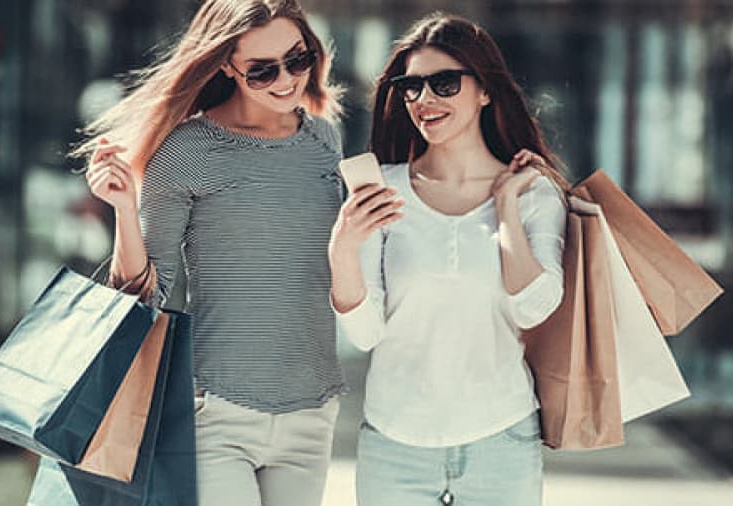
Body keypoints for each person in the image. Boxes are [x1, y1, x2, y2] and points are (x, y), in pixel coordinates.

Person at [78, 1, 345, 505]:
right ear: (226, 64)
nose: (286, 80)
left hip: (312, 410)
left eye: (297, 58)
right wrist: (123, 210)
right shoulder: (186, 150)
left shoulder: (324, 142)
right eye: (262, 70)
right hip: (216, 413)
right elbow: (145, 294)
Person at [328, 13, 568, 506]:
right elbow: (366, 333)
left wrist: (504, 205)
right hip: (394, 444)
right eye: (411, 87)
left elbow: (533, 308)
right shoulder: (382, 189)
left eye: (443, 84)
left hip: (501, 439)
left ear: (485, 91)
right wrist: (343, 251)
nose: (424, 100)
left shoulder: (533, 194)